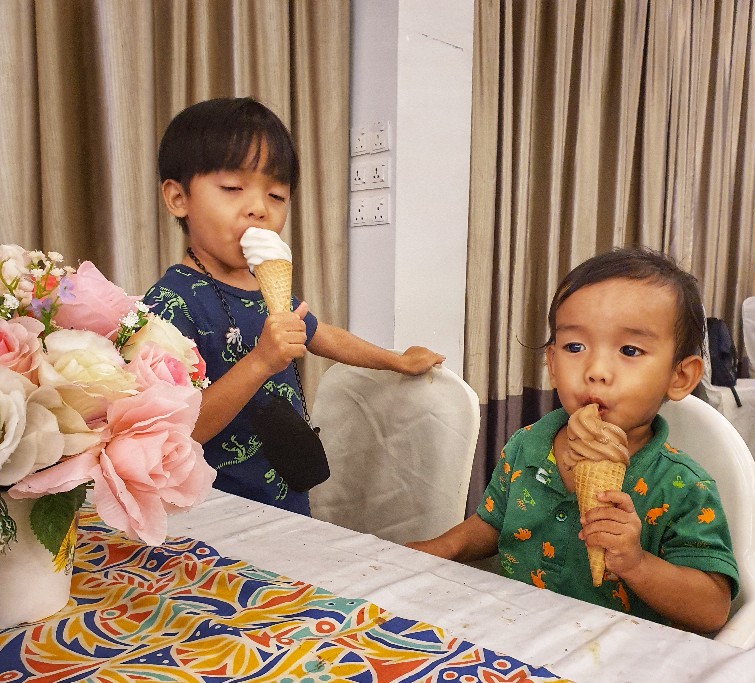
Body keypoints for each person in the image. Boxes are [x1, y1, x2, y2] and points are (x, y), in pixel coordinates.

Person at [407, 247, 739, 634]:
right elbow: (491, 525)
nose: (596, 371)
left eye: (629, 350)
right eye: (574, 347)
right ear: (551, 363)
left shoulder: (684, 487)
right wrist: (438, 550)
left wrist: (636, 563)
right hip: (510, 633)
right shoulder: (527, 445)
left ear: (680, 376)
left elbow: (713, 609)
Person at [144, 97, 444, 516]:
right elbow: (180, 430)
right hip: (213, 511)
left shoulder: (269, 290)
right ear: (178, 198)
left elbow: (322, 334)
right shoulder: (168, 306)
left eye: (277, 194)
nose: (259, 208)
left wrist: (396, 361)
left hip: (287, 498)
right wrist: (261, 362)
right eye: (232, 188)